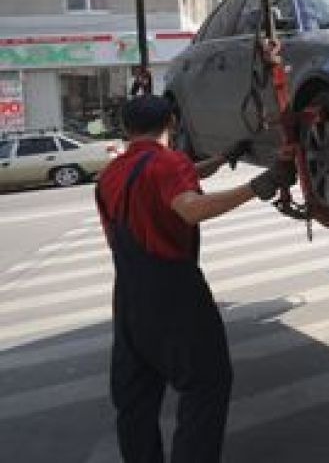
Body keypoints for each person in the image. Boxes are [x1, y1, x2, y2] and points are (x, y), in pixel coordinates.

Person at [95, 95, 295, 462]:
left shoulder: (112, 172)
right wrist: (258, 186)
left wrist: (221, 160)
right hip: (173, 294)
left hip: (127, 298)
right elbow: (189, 207)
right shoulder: (169, 164)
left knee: (135, 401)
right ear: (172, 122)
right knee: (206, 384)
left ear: (126, 129)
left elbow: (168, 179)